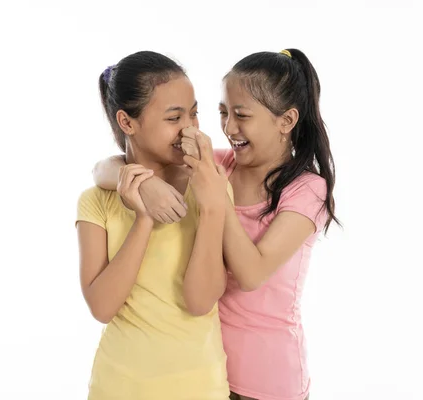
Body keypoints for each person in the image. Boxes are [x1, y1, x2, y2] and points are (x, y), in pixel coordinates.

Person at [93, 48, 339, 400]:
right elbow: (103, 168)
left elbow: (251, 273)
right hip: (210, 376)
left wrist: (215, 195)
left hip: (265, 381)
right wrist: (142, 182)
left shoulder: (307, 190)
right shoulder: (220, 167)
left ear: (286, 121)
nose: (228, 128)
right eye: (223, 113)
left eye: (241, 115)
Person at [76, 50, 231, 399]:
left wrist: (211, 207)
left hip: (200, 387)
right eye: (174, 117)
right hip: (119, 387)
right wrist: (143, 218)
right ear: (127, 122)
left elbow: (199, 301)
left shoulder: (212, 185)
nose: (189, 128)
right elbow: (102, 308)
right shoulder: (96, 201)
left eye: (193, 114)